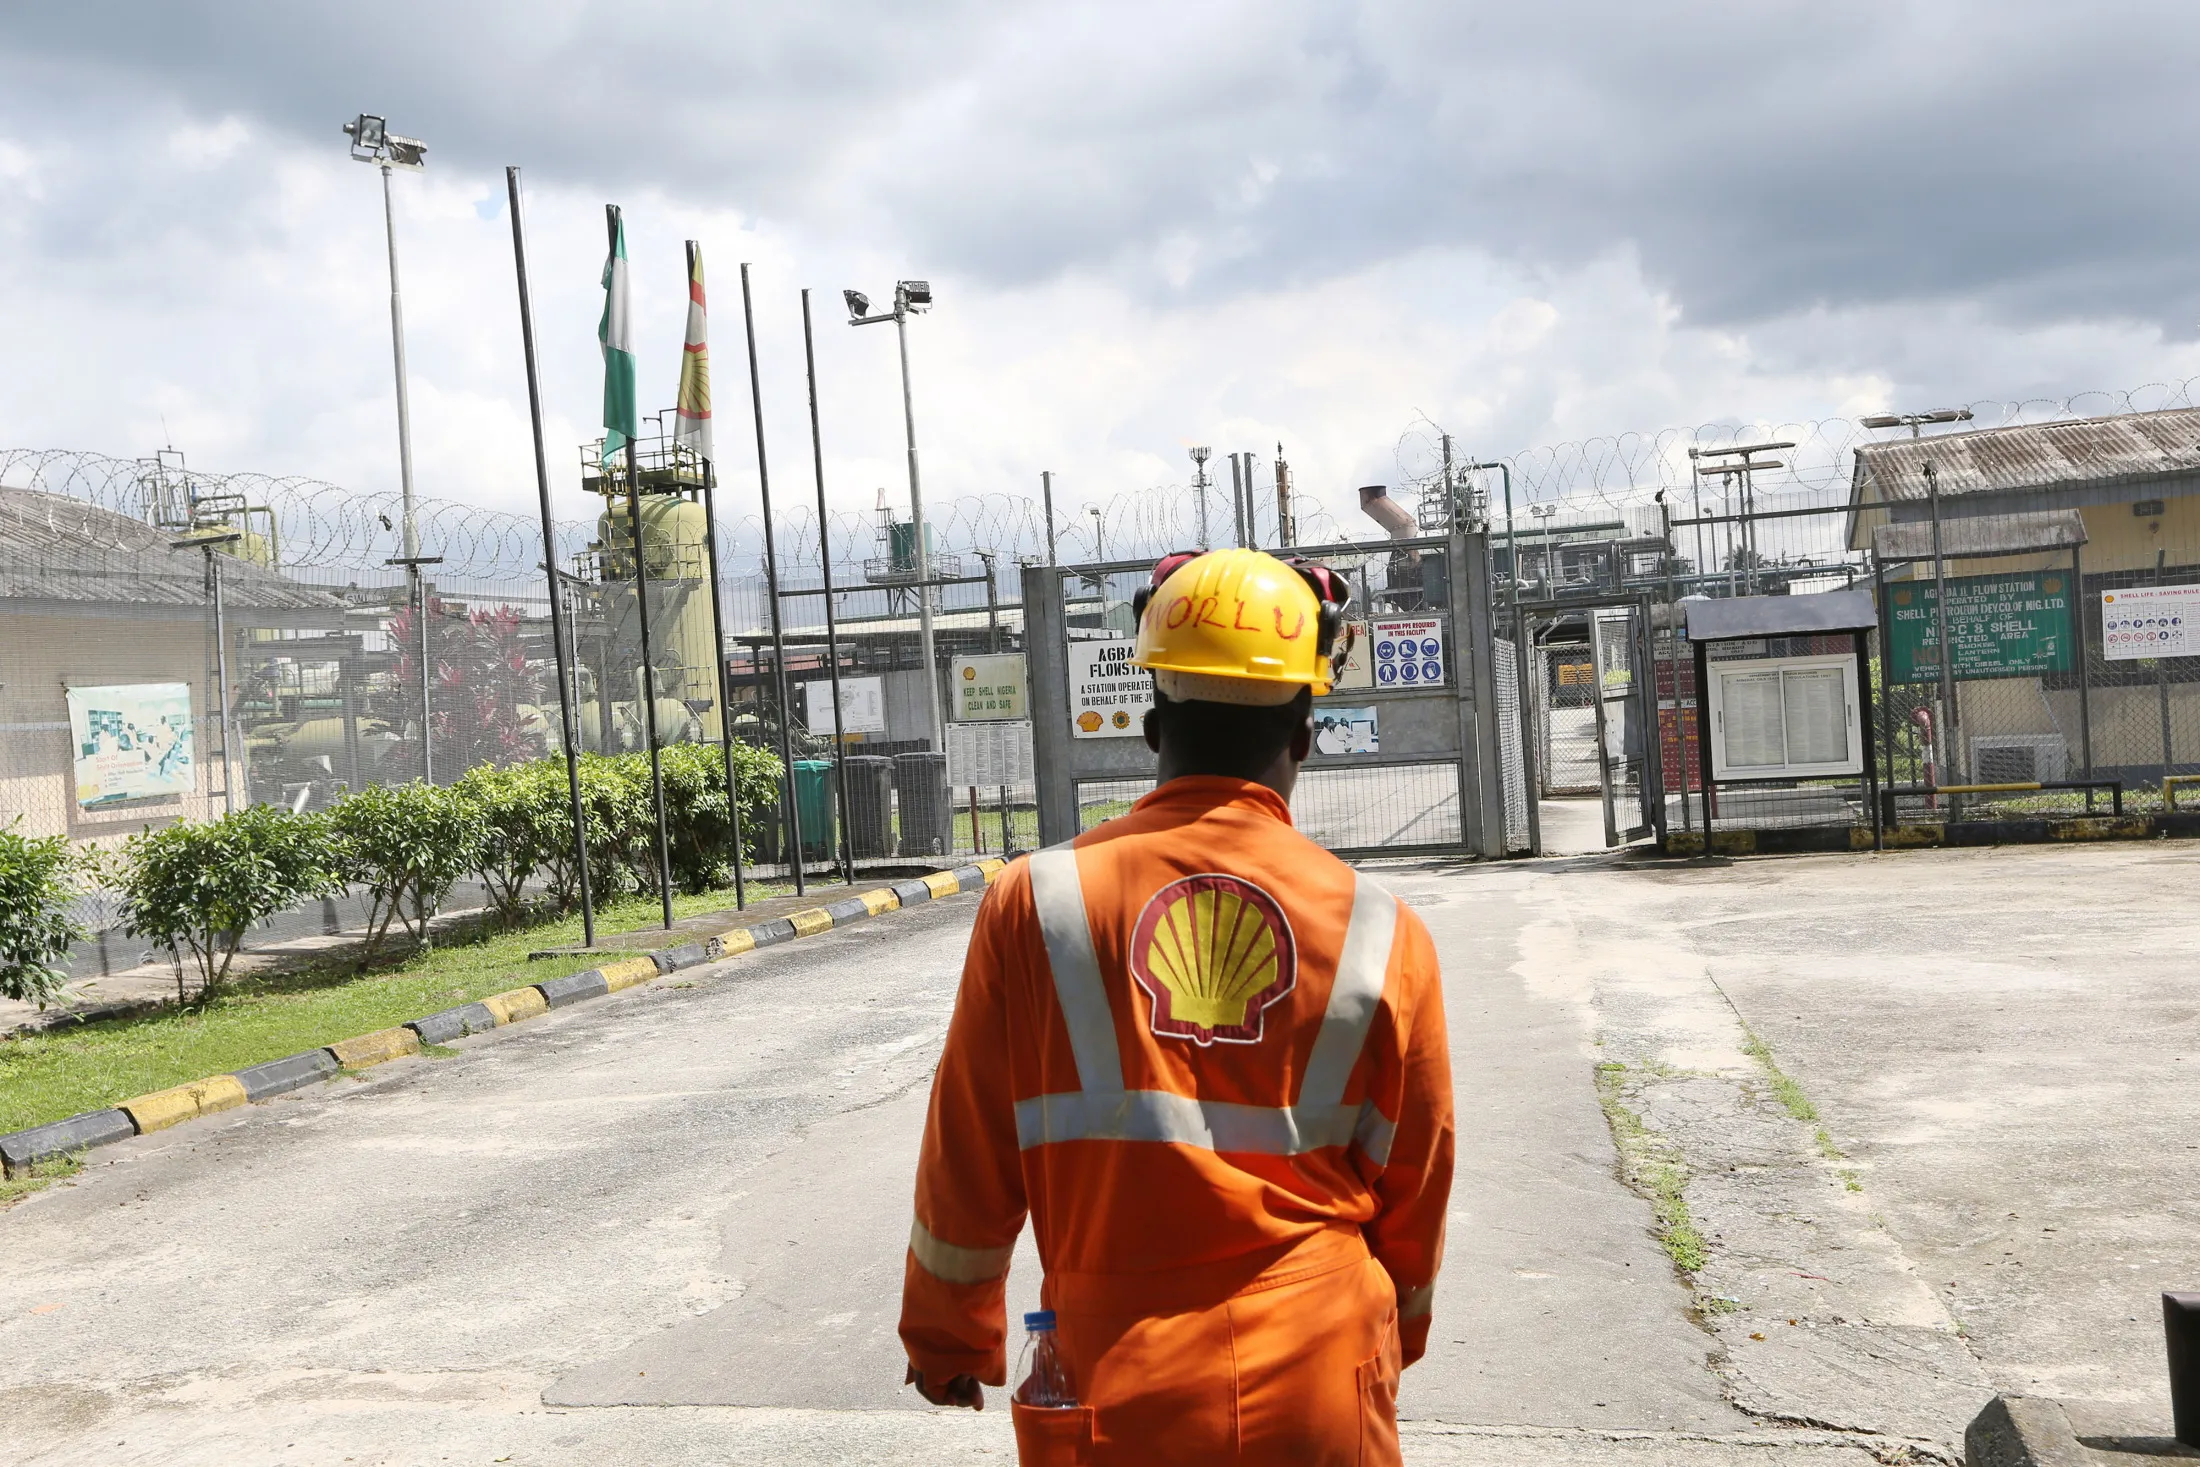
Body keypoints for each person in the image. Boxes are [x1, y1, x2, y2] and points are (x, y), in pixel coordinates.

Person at [899, 547, 1454, 1465]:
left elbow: (969, 1150)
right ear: (1304, 737)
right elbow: (1416, 1175)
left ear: (1154, 727)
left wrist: (949, 1334)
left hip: (1112, 1384)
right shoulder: (1382, 929)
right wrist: (1399, 1329)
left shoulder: (1037, 903)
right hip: (1319, 1368)